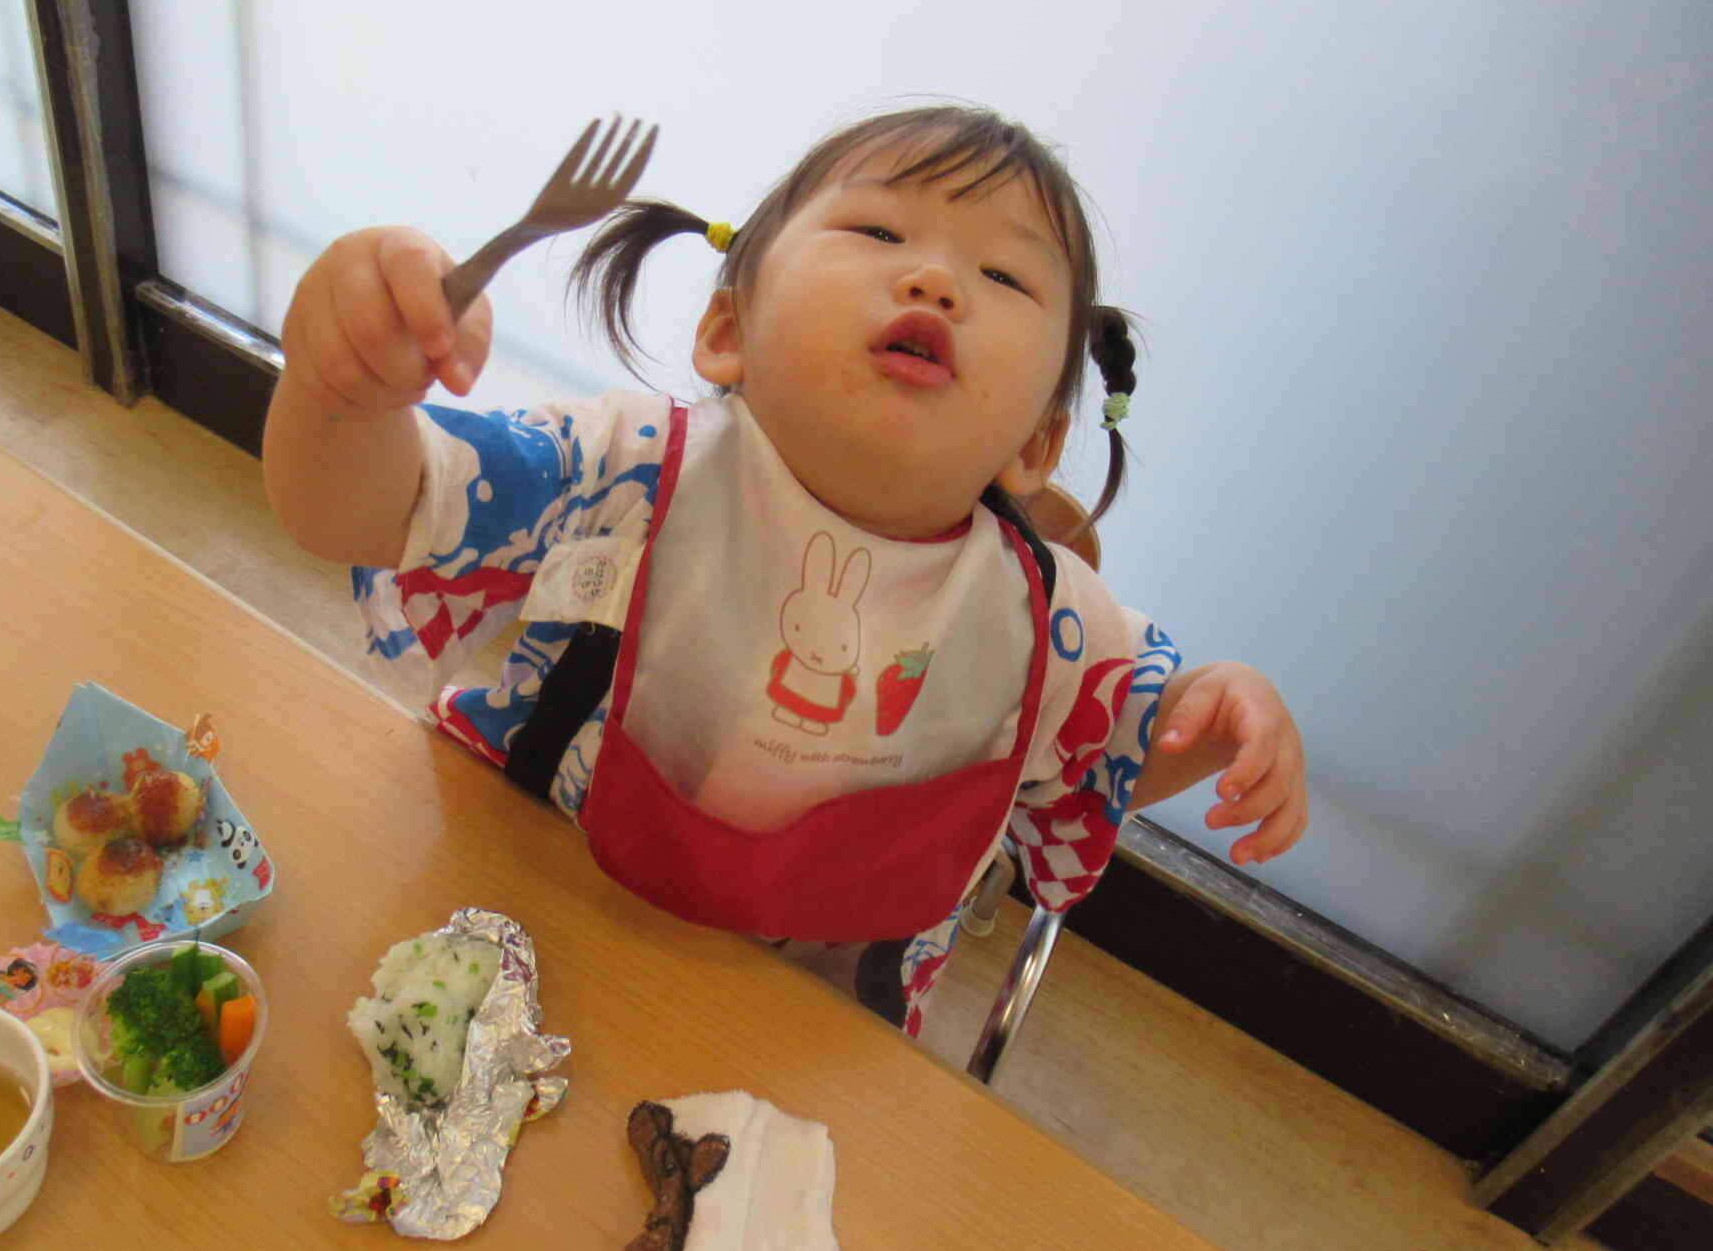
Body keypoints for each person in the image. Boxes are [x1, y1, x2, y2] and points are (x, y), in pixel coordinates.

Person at [264, 103, 1306, 1035]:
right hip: (527, 893)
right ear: (726, 331)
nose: (934, 280)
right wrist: (339, 393)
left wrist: (1207, 719)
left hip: (812, 1011)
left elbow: (1117, 748)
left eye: (1001, 277)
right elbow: (368, 511)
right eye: (878, 232)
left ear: (1034, 446)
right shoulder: (630, 472)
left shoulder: (1045, 623)